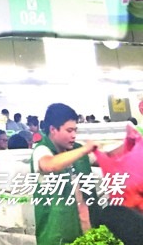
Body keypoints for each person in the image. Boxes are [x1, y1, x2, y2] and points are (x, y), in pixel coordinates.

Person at [31, 103, 99, 245]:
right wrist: (84, 149)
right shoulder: (42, 150)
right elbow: (50, 165)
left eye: (75, 130)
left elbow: (106, 159)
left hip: (86, 231)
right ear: (53, 129)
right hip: (57, 236)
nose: (74, 135)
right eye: (69, 130)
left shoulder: (77, 150)